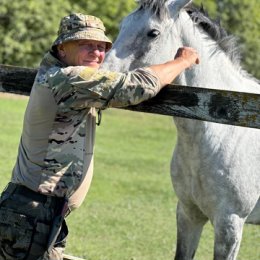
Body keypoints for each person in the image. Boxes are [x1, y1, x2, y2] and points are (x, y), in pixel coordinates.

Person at [0, 13, 199, 260]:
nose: (97, 52)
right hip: (32, 215)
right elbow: (137, 86)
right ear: (62, 48)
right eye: (86, 45)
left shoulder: (61, 75)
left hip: (36, 212)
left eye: (102, 46)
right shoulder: (70, 79)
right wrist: (183, 61)